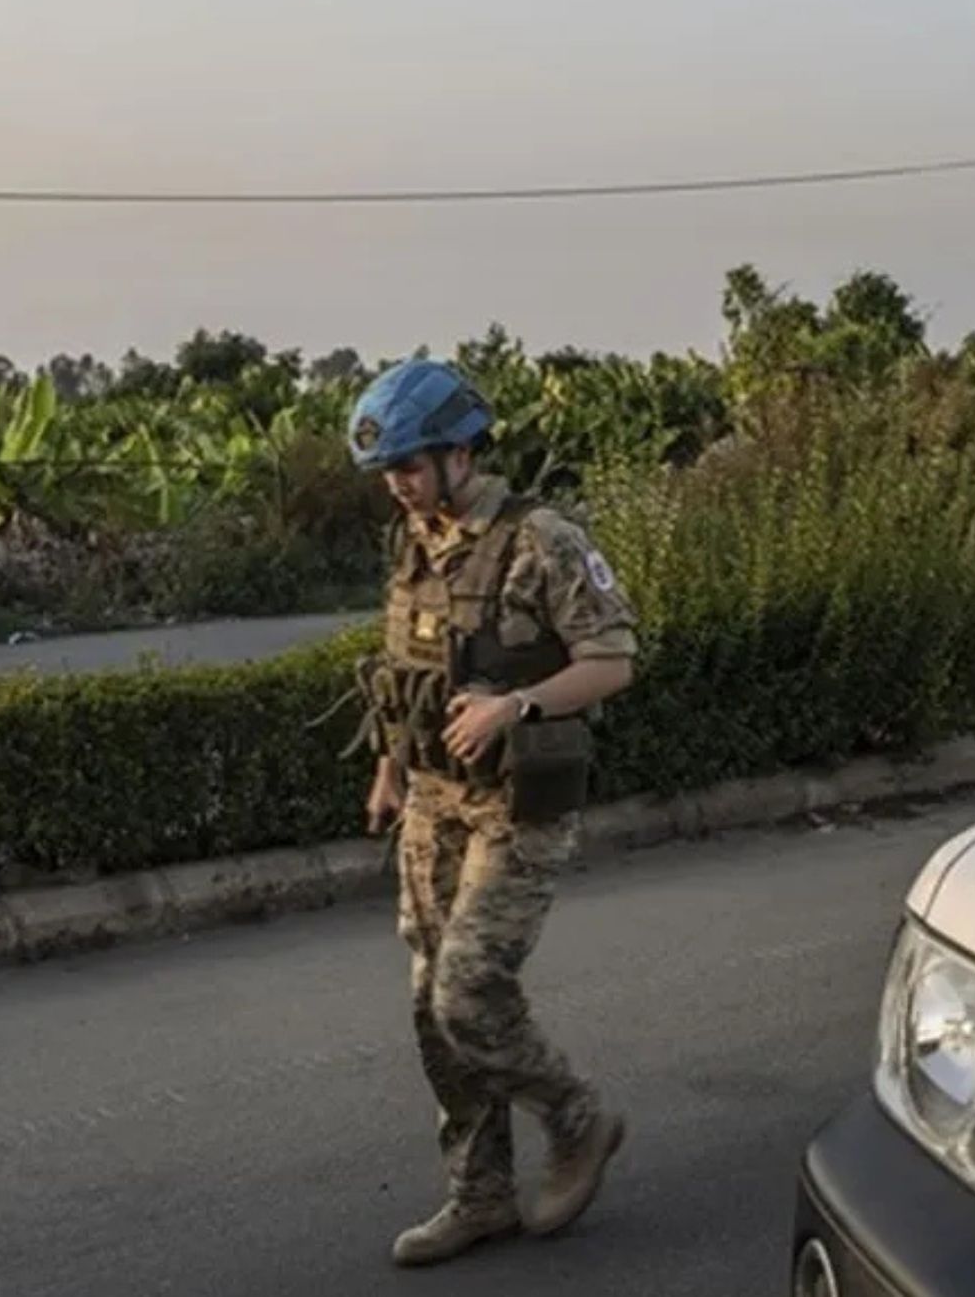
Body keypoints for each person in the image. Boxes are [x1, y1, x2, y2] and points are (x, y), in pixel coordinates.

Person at [341, 357, 638, 1269]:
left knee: (468, 990)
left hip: (518, 805)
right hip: (433, 801)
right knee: (431, 1007)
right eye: (390, 471)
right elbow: (411, 674)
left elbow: (616, 658)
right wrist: (392, 766)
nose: (400, 484)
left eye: (413, 465)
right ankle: (480, 1196)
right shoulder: (415, 541)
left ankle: (578, 1119)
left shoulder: (538, 539)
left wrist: (519, 704)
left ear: (463, 452)